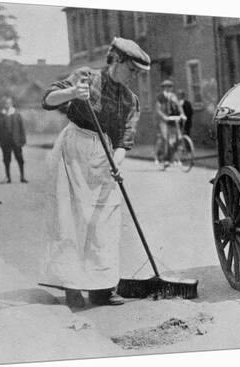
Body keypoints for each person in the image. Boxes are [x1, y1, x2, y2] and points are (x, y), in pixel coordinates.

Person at [40, 37, 150, 308]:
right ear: (118, 61)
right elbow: (48, 99)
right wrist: (73, 94)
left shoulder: (130, 100)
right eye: (132, 70)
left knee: (105, 220)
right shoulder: (87, 77)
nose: (134, 77)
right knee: (73, 217)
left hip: (105, 154)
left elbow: (125, 140)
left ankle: (102, 287)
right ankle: (72, 285)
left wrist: (117, 162)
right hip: (74, 148)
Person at [0, 96, 28, 183]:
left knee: (20, 159)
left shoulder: (17, 114)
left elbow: (22, 128)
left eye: (8, 103)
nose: (7, 105)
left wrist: (23, 140)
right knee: (6, 160)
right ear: (3, 104)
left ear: (11, 104)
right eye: (5, 103)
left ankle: (22, 177)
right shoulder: (0, 116)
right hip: (5, 142)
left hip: (16, 141)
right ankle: (8, 177)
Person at [155, 80, 186, 166]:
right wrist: (163, 116)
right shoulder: (160, 97)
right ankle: (162, 158)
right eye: (166, 87)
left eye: (170, 87)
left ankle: (174, 158)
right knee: (165, 138)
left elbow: (179, 106)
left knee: (177, 138)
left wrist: (182, 114)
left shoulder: (173, 96)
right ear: (163, 88)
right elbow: (158, 109)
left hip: (172, 119)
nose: (168, 88)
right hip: (163, 120)